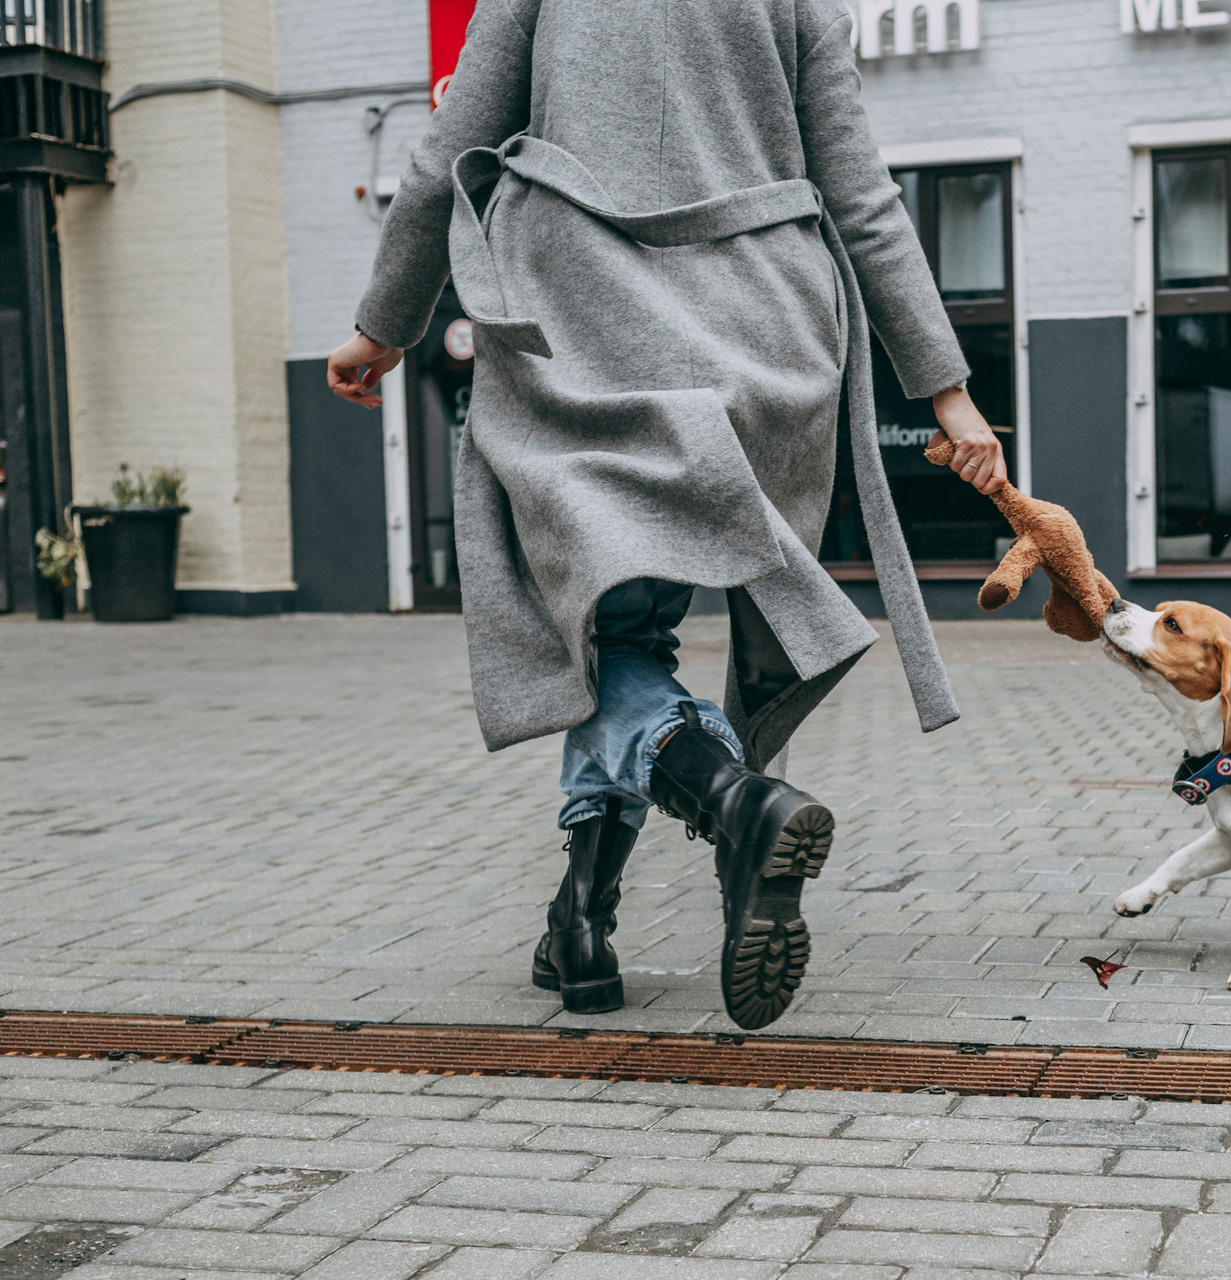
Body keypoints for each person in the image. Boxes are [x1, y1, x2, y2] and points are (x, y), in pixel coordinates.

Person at [327, 0, 1003, 1029]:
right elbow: (862, 195)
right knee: (618, 623)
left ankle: (726, 797)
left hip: (584, 318)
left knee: (582, 635)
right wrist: (947, 392)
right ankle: (581, 923)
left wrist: (384, 323)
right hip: (766, 334)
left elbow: (448, 150)